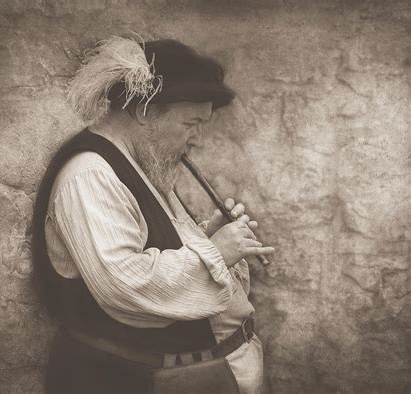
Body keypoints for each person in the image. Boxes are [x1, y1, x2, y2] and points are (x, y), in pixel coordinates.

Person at [32, 36, 274, 394]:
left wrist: (210, 237)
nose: (197, 140)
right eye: (191, 124)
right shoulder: (90, 175)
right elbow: (125, 284)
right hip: (136, 382)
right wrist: (217, 253)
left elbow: (158, 247)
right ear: (143, 112)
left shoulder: (141, 163)